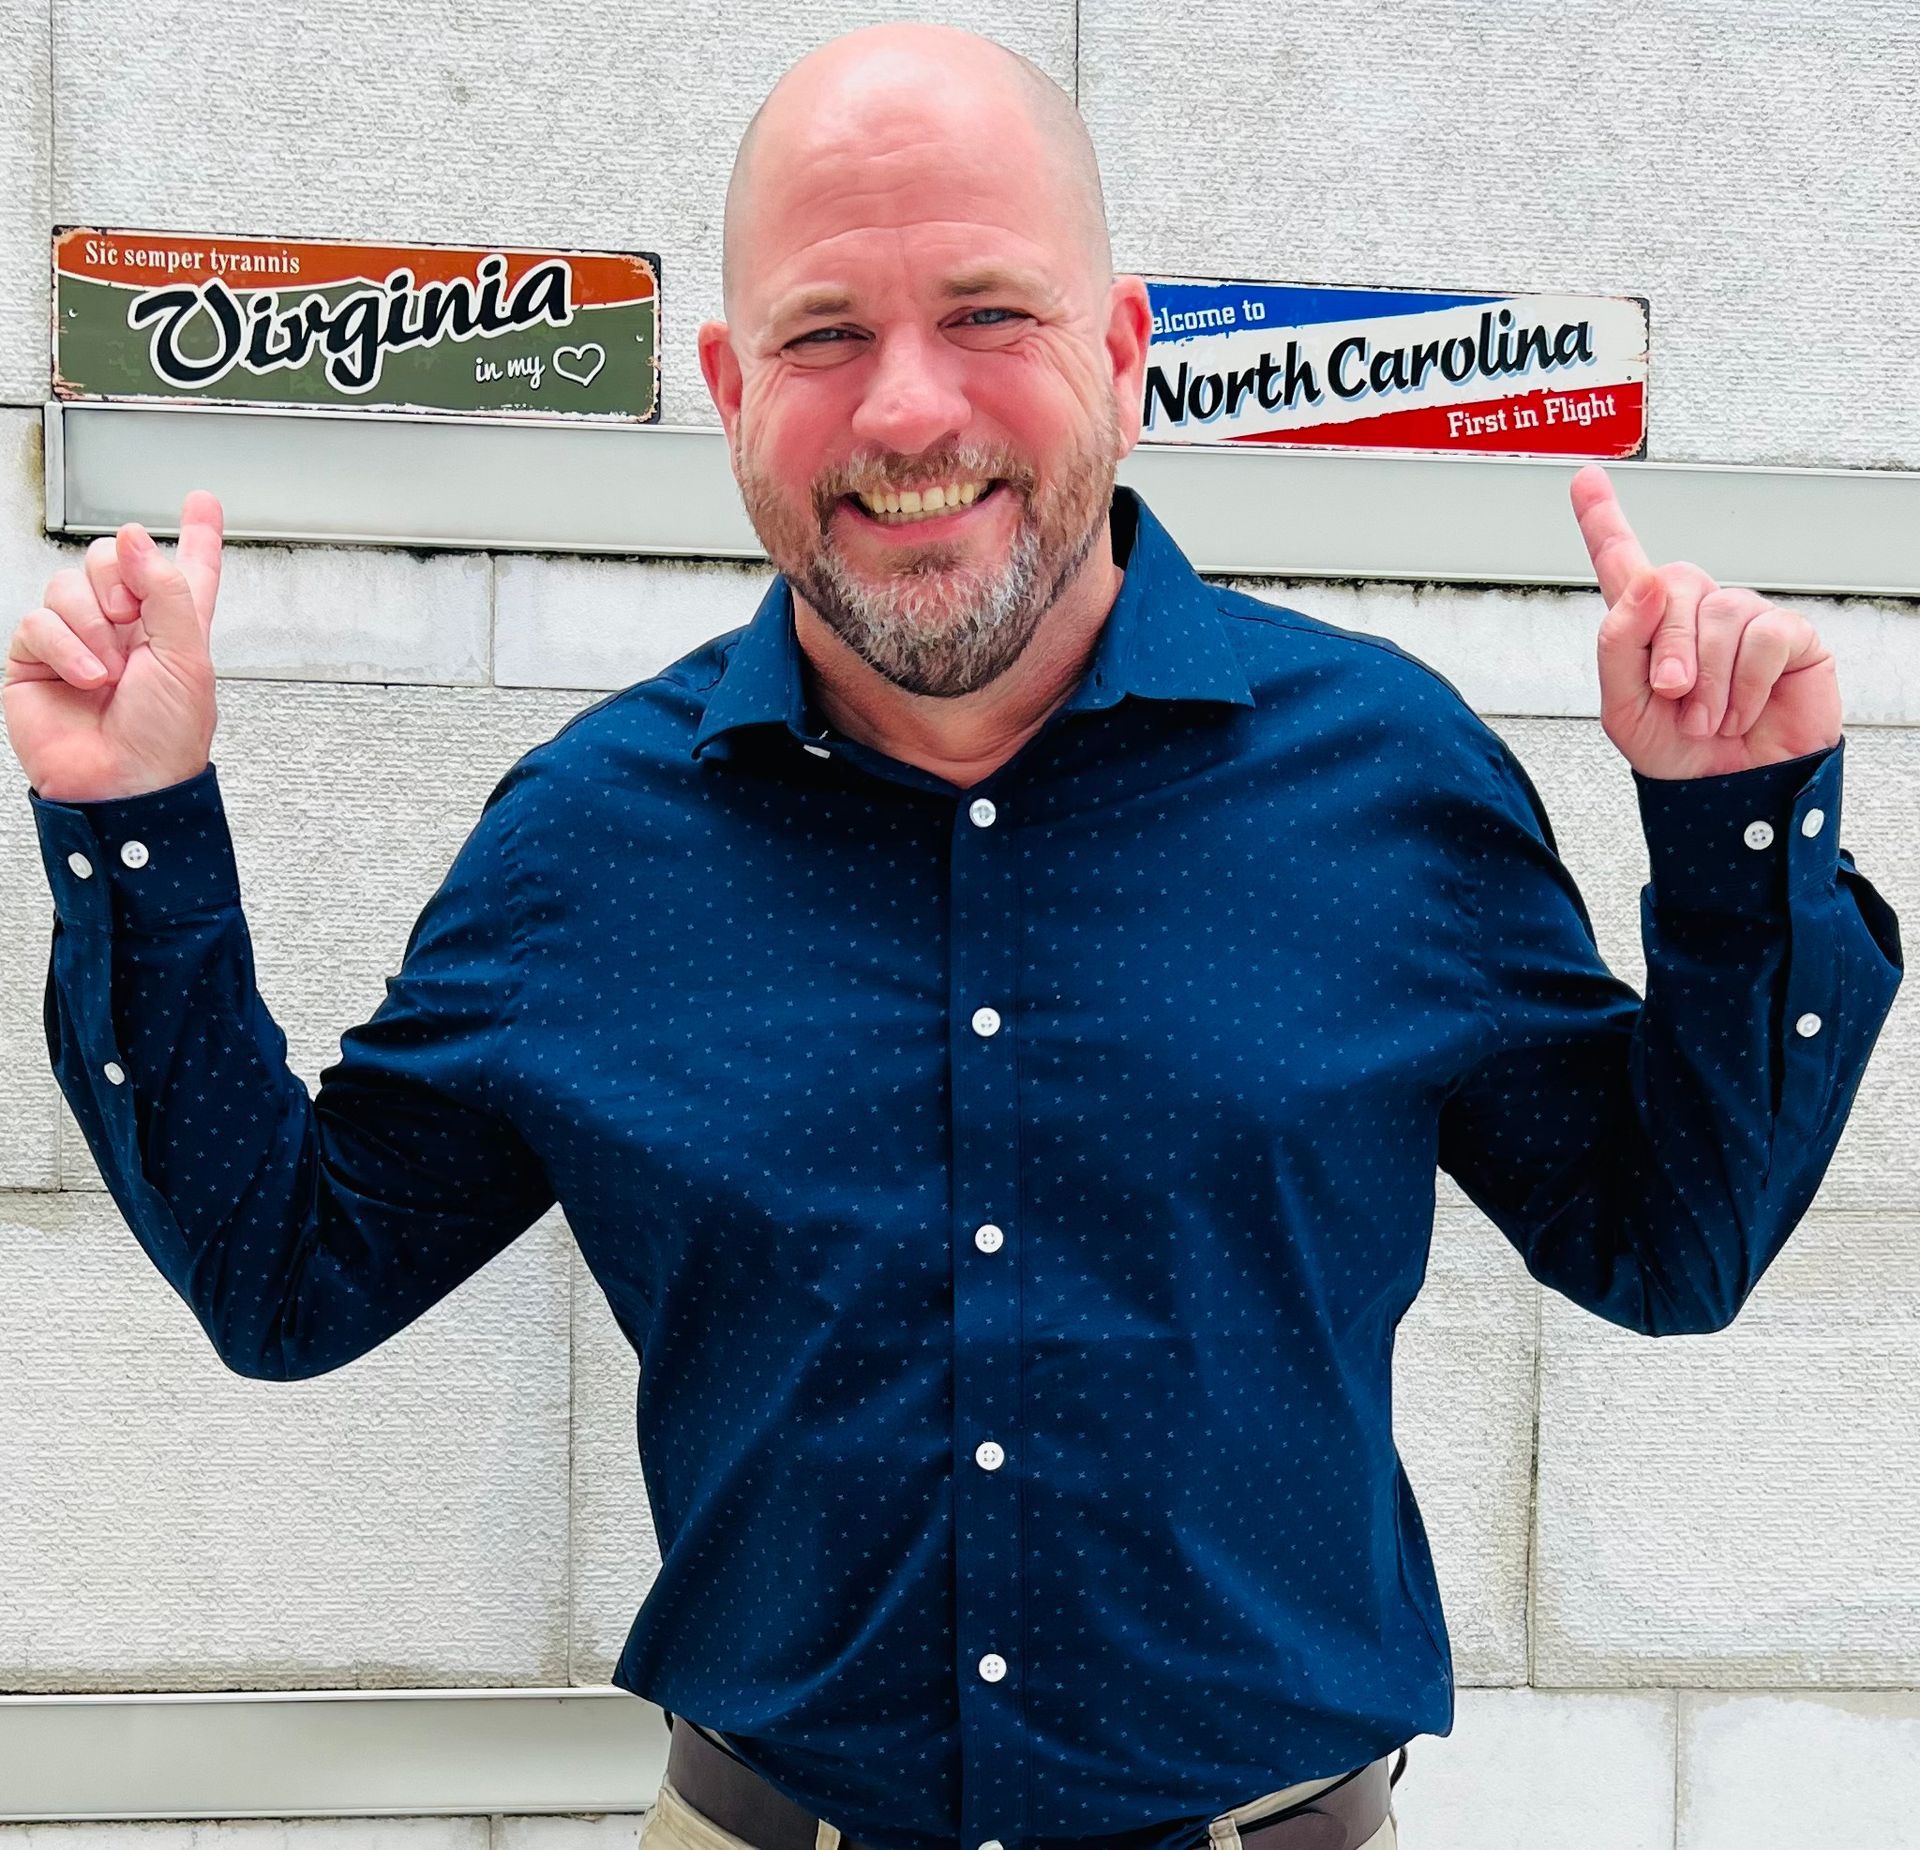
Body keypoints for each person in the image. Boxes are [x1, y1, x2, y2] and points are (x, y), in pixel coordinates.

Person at [4, 22, 1903, 1850]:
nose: (910, 406)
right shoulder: (590, 844)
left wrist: (1739, 840)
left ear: (1122, 346)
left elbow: (1667, 1246)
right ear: (737, 395)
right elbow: (287, 1278)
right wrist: (130, 826)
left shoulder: (1388, 781)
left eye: (988, 313)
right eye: (827, 335)